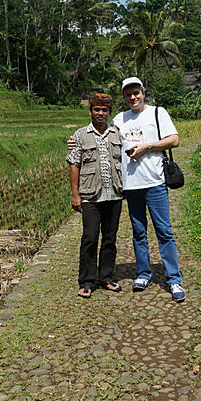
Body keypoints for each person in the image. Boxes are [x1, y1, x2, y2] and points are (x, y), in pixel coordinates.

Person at [112, 77, 185, 303]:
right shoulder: (119, 119)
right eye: (128, 94)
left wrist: (147, 147)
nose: (133, 97)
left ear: (143, 93)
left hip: (155, 182)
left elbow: (174, 140)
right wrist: (76, 141)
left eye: (136, 93)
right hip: (131, 185)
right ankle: (143, 273)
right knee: (138, 232)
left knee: (164, 232)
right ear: (124, 97)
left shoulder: (157, 113)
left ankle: (173, 279)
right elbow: (106, 140)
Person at [66, 93, 124, 299]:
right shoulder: (80, 135)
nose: (100, 113)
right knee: (90, 238)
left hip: (114, 194)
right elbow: (75, 165)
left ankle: (106, 277)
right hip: (91, 196)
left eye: (104, 110)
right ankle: (87, 281)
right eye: (96, 110)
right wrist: (75, 195)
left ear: (110, 112)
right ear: (90, 111)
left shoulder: (117, 133)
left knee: (110, 238)